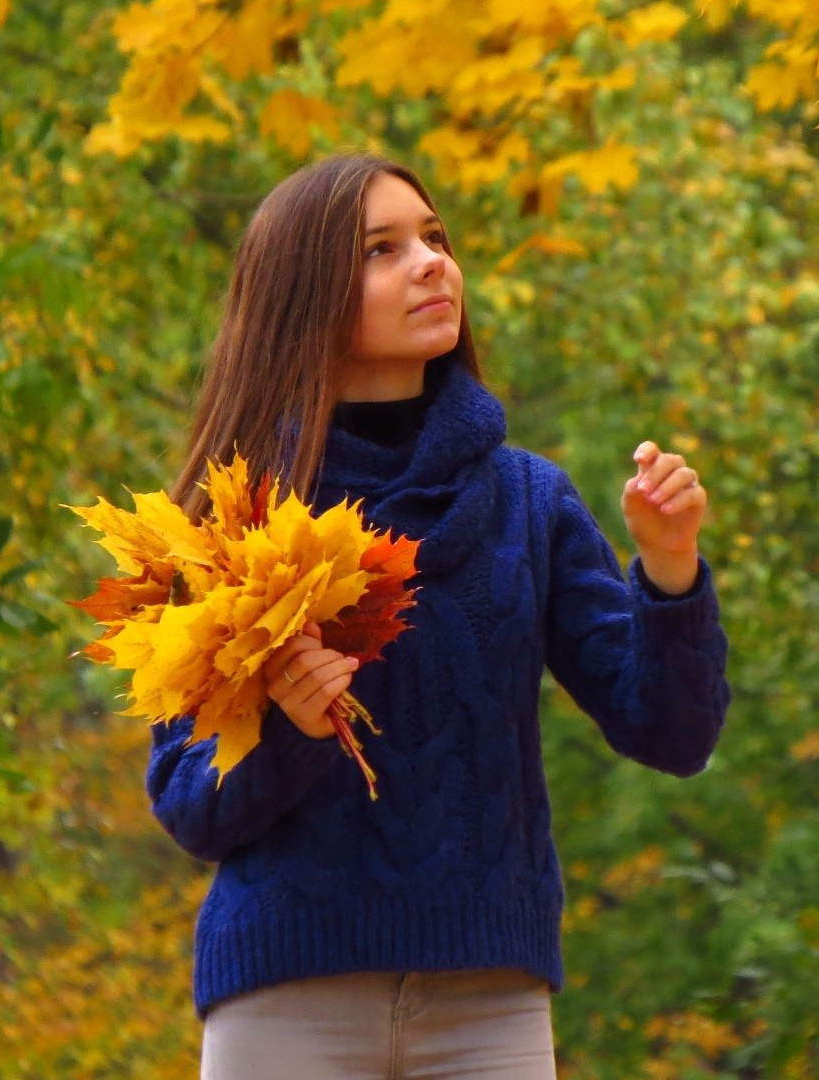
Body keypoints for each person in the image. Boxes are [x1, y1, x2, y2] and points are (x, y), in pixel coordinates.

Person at [145, 152, 733, 1079]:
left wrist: (668, 567)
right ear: (304, 294)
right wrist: (293, 727)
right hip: (287, 992)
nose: (431, 262)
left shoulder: (529, 503)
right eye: (383, 249)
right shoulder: (236, 518)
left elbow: (674, 733)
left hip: (489, 1003)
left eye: (435, 238)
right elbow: (190, 807)